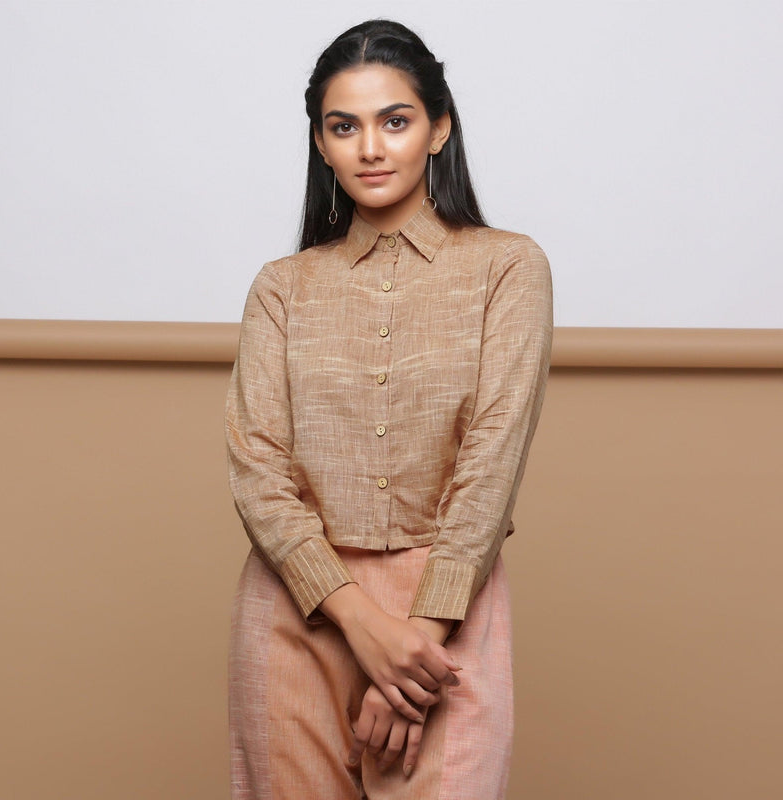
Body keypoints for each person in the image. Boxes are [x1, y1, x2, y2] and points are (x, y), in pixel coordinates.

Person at [225, 19, 553, 800]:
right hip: (295, 609)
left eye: (394, 120)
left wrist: (414, 643)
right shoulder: (282, 287)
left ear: (438, 129)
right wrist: (365, 629)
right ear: (321, 143)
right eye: (345, 126)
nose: (370, 147)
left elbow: (492, 460)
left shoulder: (507, 268)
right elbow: (256, 469)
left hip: (449, 611)